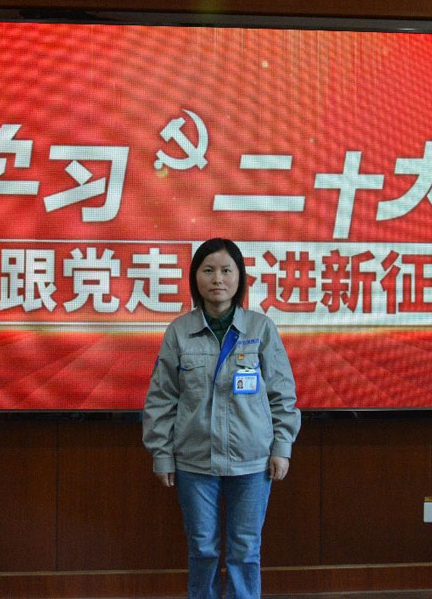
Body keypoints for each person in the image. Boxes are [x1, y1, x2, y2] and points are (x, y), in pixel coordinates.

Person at [142, 237, 301, 599]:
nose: (218, 279)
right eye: (208, 270)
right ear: (195, 277)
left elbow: (282, 394)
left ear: (239, 277)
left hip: (253, 461)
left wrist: (282, 447)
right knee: (203, 550)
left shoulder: (260, 329)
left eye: (227, 270)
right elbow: (161, 399)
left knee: (245, 550)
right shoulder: (179, 332)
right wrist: (162, 454)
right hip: (194, 461)